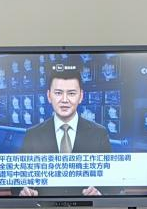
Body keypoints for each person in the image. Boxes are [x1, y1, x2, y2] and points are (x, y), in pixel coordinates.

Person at [18, 66, 111, 197]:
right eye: (58, 93)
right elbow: (17, 182)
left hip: (86, 208)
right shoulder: (33, 134)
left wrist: (100, 194)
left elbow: (113, 183)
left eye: (71, 93)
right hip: (44, 208)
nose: (65, 100)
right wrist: (25, 191)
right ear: (49, 96)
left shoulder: (99, 133)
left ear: (81, 96)